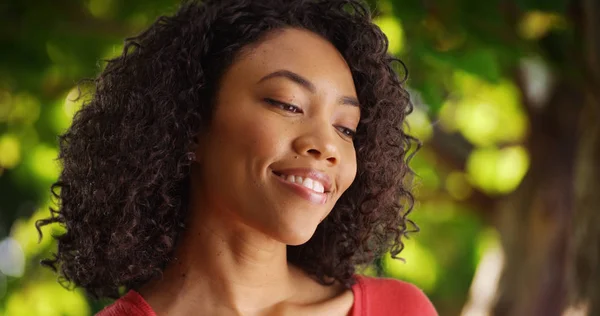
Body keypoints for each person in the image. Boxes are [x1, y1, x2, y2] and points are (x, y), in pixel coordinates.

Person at [37, 0, 437, 315]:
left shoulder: (400, 310)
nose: (327, 145)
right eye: (288, 104)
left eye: (346, 128)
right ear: (190, 123)